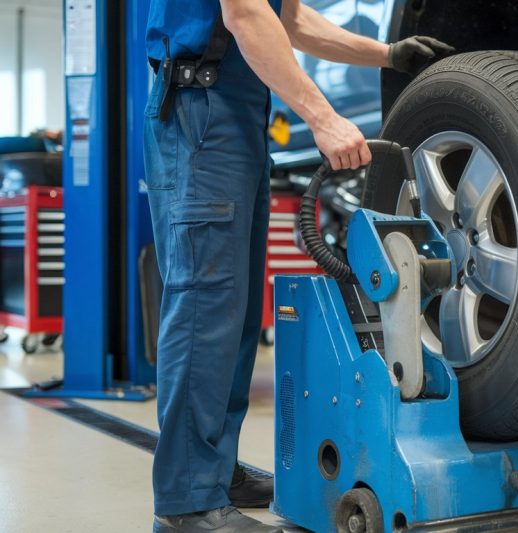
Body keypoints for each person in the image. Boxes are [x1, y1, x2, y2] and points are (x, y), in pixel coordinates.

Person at [143, 1, 454, 531]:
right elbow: (244, 14)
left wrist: (387, 53)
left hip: (234, 110)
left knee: (233, 314)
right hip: (202, 108)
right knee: (204, 307)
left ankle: (214, 471)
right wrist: (323, 117)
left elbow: (287, 19)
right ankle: (187, 504)